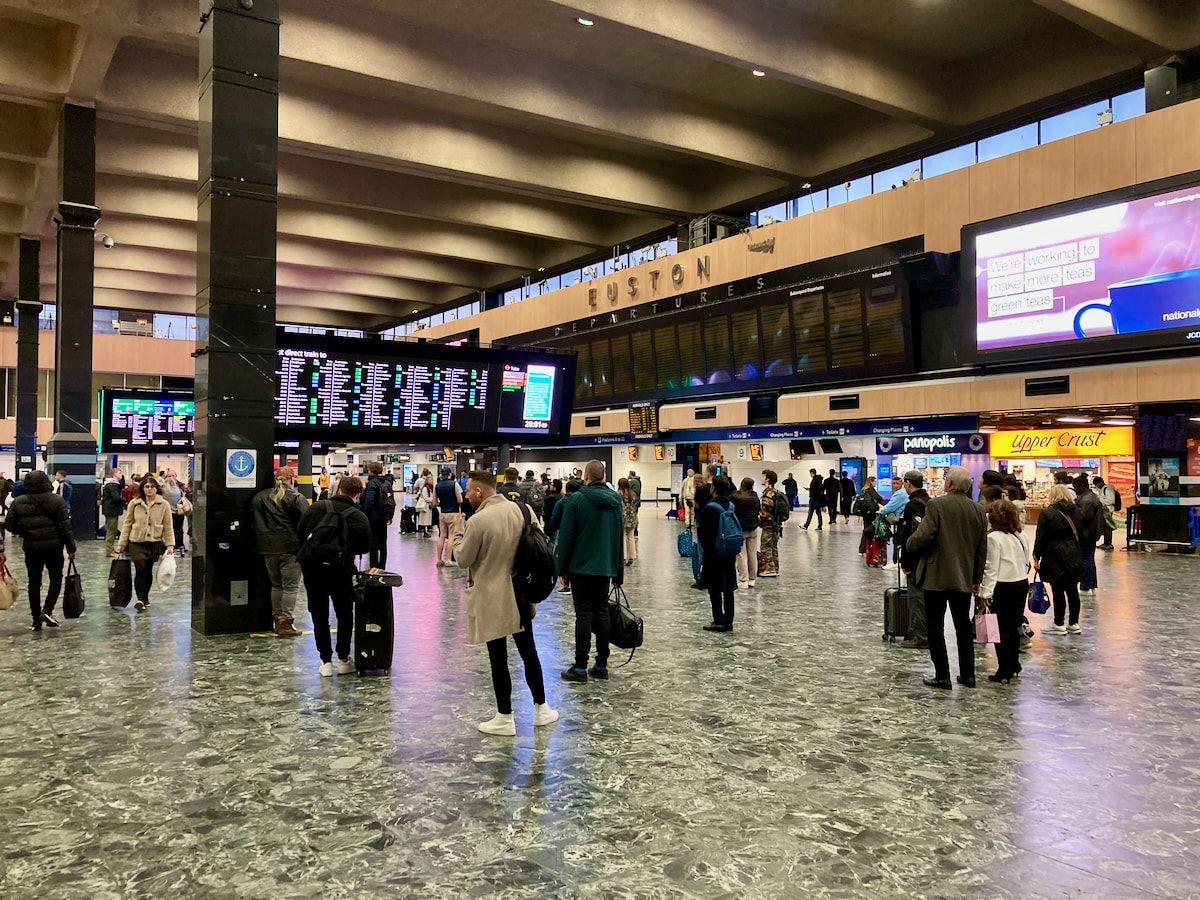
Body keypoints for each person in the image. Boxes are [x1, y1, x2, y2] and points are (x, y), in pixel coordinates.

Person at [452, 470, 558, 736]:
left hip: (491, 597)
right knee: (529, 652)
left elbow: (463, 559)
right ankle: (542, 708)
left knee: (497, 657)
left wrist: (457, 532)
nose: (467, 496)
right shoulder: (523, 510)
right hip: (521, 592)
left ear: (479, 491)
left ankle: (504, 717)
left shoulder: (477, 521)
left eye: (469, 491)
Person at [905, 466, 988, 690]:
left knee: (935, 626)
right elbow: (982, 548)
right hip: (964, 577)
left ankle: (942, 675)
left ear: (949, 484)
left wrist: (909, 543)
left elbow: (924, 536)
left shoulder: (937, 505)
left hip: (936, 576)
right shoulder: (978, 510)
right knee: (963, 626)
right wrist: (976, 578)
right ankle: (968, 675)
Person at [556, 459, 623, 682]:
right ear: (603, 477)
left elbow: (566, 536)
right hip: (605, 567)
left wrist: (562, 568)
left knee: (583, 615)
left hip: (580, 567)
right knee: (602, 612)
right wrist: (618, 571)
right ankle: (601, 665)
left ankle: (580, 667)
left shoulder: (576, 500)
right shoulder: (615, 501)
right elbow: (618, 538)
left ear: (585, 476)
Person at [297, 475, 371, 676]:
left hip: (313, 569)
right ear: (359, 494)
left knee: (318, 614)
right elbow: (365, 547)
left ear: (338, 489)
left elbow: (300, 531)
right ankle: (344, 659)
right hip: (342, 570)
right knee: (344, 613)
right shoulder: (358, 516)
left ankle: (325, 662)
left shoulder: (316, 508)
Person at [5, 470, 77, 630]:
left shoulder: (19, 501)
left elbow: (9, 524)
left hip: (32, 547)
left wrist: (25, 532)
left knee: (34, 582)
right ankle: (47, 610)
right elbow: (65, 528)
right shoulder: (57, 500)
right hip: (54, 547)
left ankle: (35, 620)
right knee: (56, 578)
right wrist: (71, 548)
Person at [251, 467, 308, 637]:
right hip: (291, 547)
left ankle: (277, 619)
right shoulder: (296, 498)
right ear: (292, 479)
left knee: (276, 585)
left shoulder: (259, 497)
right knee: (290, 587)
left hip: (267, 548)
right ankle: (285, 623)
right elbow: (307, 522)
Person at [978, 499, 1030, 684]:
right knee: (1014, 626)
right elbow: (1026, 561)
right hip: (1020, 582)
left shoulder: (994, 538)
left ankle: (1004, 669)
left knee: (999, 629)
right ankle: (1014, 664)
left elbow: (991, 568)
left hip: (1003, 585)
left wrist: (985, 593)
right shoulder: (1020, 535)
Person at [115, 473, 175, 612]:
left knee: (148, 571)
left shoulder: (164, 504)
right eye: (147, 486)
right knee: (140, 568)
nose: (149, 489)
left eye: (152, 487)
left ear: (156, 488)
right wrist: (121, 544)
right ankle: (140, 599)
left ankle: (145, 597)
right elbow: (127, 524)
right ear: (142, 488)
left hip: (154, 542)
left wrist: (170, 544)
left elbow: (168, 525)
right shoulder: (134, 503)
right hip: (136, 541)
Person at [1033, 483, 1084, 636]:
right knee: (1073, 589)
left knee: (1058, 589)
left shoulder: (1047, 513)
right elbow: (1082, 532)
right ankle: (1074, 623)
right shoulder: (1077, 511)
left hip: (1054, 553)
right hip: (1073, 552)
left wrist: (1036, 556)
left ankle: (1059, 623)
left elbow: (1041, 537)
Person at [895, 470, 931, 649]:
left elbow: (909, 536)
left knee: (916, 597)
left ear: (908, 483)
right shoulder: (929, 502)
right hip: (930, 557)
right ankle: (921, 632)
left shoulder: (912, 505)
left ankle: (920, 636)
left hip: (915, 558)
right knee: (926, 598)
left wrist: (905, 561)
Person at [698, 475, 737, 632]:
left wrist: (707, 550)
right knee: (729, 587)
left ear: (713, 488)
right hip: (730, 551)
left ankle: (718, 620)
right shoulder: (731, 506)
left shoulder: (710, 508)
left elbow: (703, 532)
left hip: (714, 553)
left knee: (714, 588)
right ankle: (729, 620)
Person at [361, 461, 395, 569]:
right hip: (384, 516)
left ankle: (374, 566)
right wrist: (390, 515)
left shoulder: (372, 483)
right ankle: (382, 565)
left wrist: (364, 516)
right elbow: (390, 500)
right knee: (383, 542)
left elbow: (369, 502)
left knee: (374, 544)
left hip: (373, 518)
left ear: (370, 470)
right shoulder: (386, 482)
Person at [1073, 474, 1102, 596]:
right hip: (1090, 533)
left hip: (1086, 534)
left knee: (1086, 560)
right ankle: (1090, 584)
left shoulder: (1087, 500)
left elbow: (1083, 517)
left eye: (1076, 487)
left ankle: (1086, 585)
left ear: (1082, 486)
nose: (1075, 490)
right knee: (1089, 559)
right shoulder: (1090, 497)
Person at [731, 476, 761, 589]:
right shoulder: (755, 497)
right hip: (752, 528)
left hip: (739, 529)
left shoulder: (735, 497)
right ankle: (752, 579)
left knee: (741, 555)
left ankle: (743, 580)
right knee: (752, 554)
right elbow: (758, 511)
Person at [690, 466, 716, 590]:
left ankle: (702, 578)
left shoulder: (701, 490)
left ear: (708, 474)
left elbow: (696, 505)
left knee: (702, 551)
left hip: (703, 522)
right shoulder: (719, 489)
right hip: (717, 524)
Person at [875, 476, 909, 570]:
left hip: (900, 519)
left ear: (902, 483)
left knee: (897, 541)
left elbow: (892, 506)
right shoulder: (901, 492)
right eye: (893, 483)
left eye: (897, 483)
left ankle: (896, 562)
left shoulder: (900, 494)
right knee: (898, 540)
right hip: (901, 519)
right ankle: (897, 561)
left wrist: (881, 512)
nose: (895, 485)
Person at [757, 469, 787, 578]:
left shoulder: (768, 493)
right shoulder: (776, 492)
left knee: (765, 546)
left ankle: (768, 569)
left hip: (768, 524)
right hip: (777, 524)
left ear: (767, 479)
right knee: (774, 546)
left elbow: (766, 511)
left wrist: (760, 519)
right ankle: (775, 568)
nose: (761, 479)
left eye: (763, 477)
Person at [434, 468, 464, 568]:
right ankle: (448, 560)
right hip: (453, 513)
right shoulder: (454, 484)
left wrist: (442, 503)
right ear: (450, 475)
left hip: (442, 513)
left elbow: (434, 502)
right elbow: (460, 500)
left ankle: (439, 560)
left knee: (442, 536)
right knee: (451, 536)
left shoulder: (437, 486)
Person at [161, 470, 187, 556]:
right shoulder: (173, 488)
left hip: (177, 512)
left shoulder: (177, 487)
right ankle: (179, 546)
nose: (171, 478)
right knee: (176, 529)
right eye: (169, 476)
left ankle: (177, 546)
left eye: (172, 475)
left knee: (176, 529)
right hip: (174, 512)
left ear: (176, 476)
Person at [101, 469, 127, 557]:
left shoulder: (109, 484)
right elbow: (116, 498)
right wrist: (124, 501)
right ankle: (109, 550)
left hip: (109, 509)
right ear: (115, 474)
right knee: (111, 530)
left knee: (110, 529)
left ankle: (110, 548)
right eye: (120, 473)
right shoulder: (113, 485)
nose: (121, 474)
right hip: (112, 510)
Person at [855, 475, 883, 555]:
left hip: (865, 513)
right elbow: (878, 498)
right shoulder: (871, 490)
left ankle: (863, 549)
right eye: (875, 481)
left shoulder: (864, 490)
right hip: (871, 513)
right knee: (869, 530)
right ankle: (865, 548)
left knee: (866, 529)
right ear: (871, 482)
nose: (876, 483)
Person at [1093, 475, 1117, 550]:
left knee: (1108, 527)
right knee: (1105, 527)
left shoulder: (1107, 489)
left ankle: (1108, 543)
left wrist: (1100, 501)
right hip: (1104, 510)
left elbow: (1111, 500)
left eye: (1097, 484)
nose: (1097, 486)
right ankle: (1106, 542)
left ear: (1100, 482)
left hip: (1107, 511)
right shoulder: (1103, 489)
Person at [618, 477, 638, 565]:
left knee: (623, 536)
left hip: (623, 517)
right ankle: (632, 556)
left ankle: (624, 556)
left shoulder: (619, 494)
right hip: (632, 517)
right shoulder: (632, 493)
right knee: (631, 536)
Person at [414, 471, 435, 537]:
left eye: (432, 479)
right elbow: (426, 498)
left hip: (429, 505)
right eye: (430, 480)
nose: (431, 481)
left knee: (427, 519)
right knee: (424, 519)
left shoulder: (431, 488)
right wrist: (433, 499)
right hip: (425, 506)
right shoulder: (425, 488)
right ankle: (424, 531)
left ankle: (426, 531)